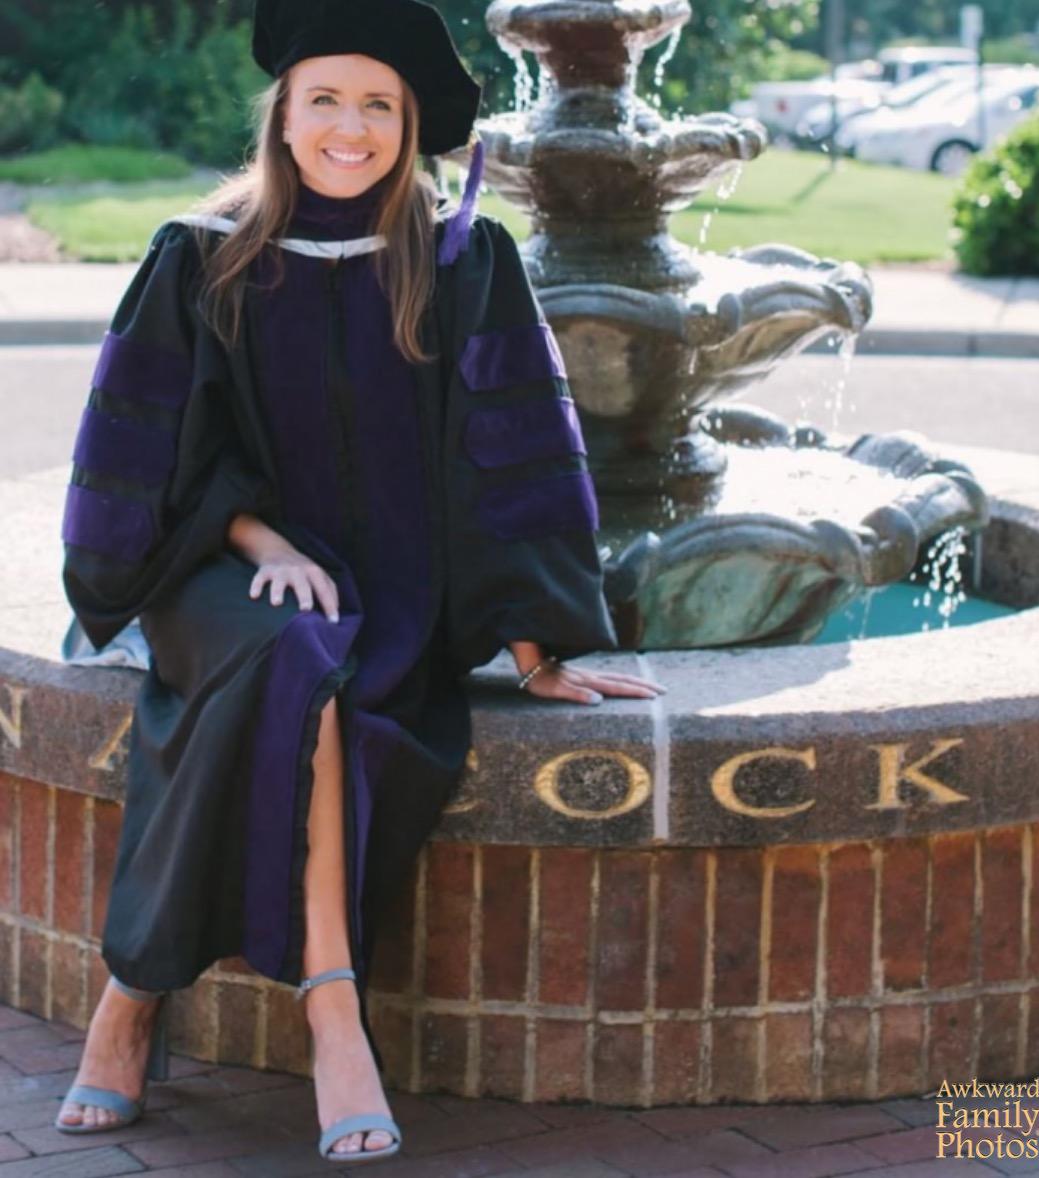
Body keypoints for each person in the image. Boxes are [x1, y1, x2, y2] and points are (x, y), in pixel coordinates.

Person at [54, 0, 665, 1163]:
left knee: (324, 665)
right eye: (325, 99)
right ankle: (326, 1010)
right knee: (294, 653)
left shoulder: (462, 259)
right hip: (217, 570)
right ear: (282, 116)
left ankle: (135, 991)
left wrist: (536, 642)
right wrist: (262, 543)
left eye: (379, 103)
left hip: (390, 582)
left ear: (410, 122)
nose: (352, 126)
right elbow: (154, 455)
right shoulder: (201, 255)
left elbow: (512, 450)